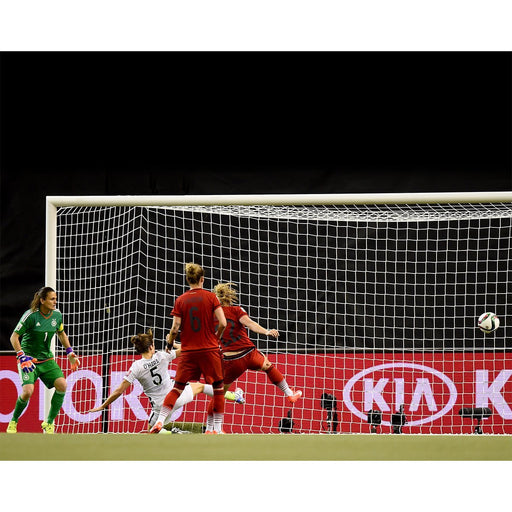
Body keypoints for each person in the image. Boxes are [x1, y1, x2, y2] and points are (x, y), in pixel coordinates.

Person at [88, 329, 244, 433]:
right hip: (177, 397)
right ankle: (234, 396)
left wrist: (103, 405)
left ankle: (172, 433)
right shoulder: (162, 356)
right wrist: (177, 343)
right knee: (201, 386)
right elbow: (187, 350)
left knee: (151, 431)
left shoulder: (136, 367)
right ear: (150, 347)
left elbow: (118, 391)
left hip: (160, 407)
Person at [205, 282, 302, 432]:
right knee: (268, 366)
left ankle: (210, 429)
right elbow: (250, 324)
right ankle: (289, 393)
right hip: (248, 354)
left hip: (230, 360)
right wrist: (267, 331)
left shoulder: (211, 316)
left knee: (219, 395)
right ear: (230, 297)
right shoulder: (236, 310)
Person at [150, 263, 227, 434]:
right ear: (202, 279)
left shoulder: (181, 300)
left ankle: (160, 421)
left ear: (187, 279)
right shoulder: (211, 297)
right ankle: (218, 430)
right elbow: (223, 323)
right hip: (209, 349)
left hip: (188, 352)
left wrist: (169, 345)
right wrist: (216, 337)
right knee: (218, 388)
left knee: (177, 388)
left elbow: (175, 328)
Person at [6, 286, 80, 434]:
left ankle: (49, 423)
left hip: (46, 359)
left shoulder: (57, 315)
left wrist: (70, 352)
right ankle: (13, 421)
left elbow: (61, 333)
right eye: (52, 299)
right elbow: (14, 337)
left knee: (62, 384)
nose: (55, 302)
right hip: (28, 360)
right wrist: (21, 356)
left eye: (56, 299)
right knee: (28, 391)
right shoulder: (31, 315)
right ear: (42, 300)